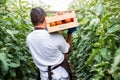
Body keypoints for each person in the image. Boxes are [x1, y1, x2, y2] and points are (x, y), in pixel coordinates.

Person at [26, 7, 77, 80]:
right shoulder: (55, 36)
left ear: (31, 20)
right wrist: (70, 33)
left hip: (44, 77)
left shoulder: (29, 38)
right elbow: (67, 50)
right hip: (61, 76)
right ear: (46, 18)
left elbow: (42, 36)